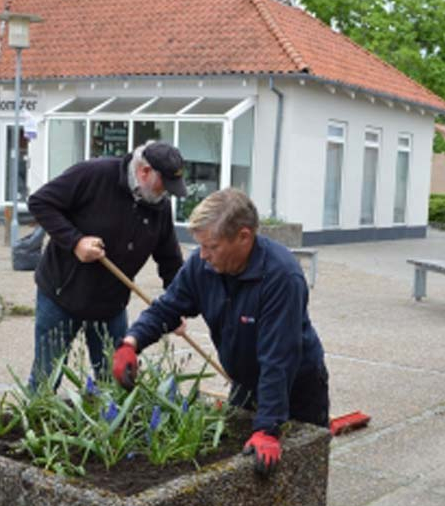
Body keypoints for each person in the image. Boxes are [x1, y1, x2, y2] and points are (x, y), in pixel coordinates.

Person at [113, 188, 329, 477]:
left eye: (211, 246)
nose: (203, 255)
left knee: (301, 474)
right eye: (200, 246)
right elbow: (167, 308)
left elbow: (278, 358)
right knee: (240, 468)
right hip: (245, 382)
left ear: (243, 237)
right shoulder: (202, 265)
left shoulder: (281, 277)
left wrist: (268, 428)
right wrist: (131, 342)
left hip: (296, 388)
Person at [27, 141, 186, 387]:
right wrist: (76, 242)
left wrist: (177, 307)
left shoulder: (159, 206)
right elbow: (40, 202)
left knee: (116, 382)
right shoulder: (95, 174)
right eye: (164, 183)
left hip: (111, 304)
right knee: (46, 379)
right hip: (62, 294)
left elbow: (170, 260)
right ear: (144, 171)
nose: (166, 192)